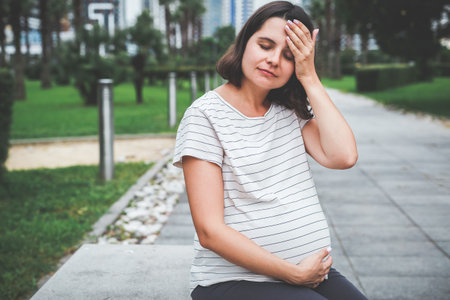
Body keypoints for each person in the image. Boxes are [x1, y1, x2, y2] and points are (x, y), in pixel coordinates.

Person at [173, 1, 367, 299]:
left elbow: (344, 156)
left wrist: (309, 77)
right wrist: (293, 274)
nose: (274, 60)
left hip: (309, 273)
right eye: (265, 45)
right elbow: (209, 231)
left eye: (289, 56)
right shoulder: (204, 115)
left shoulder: (289, 111)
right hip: (231, 281)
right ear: (245, 42)